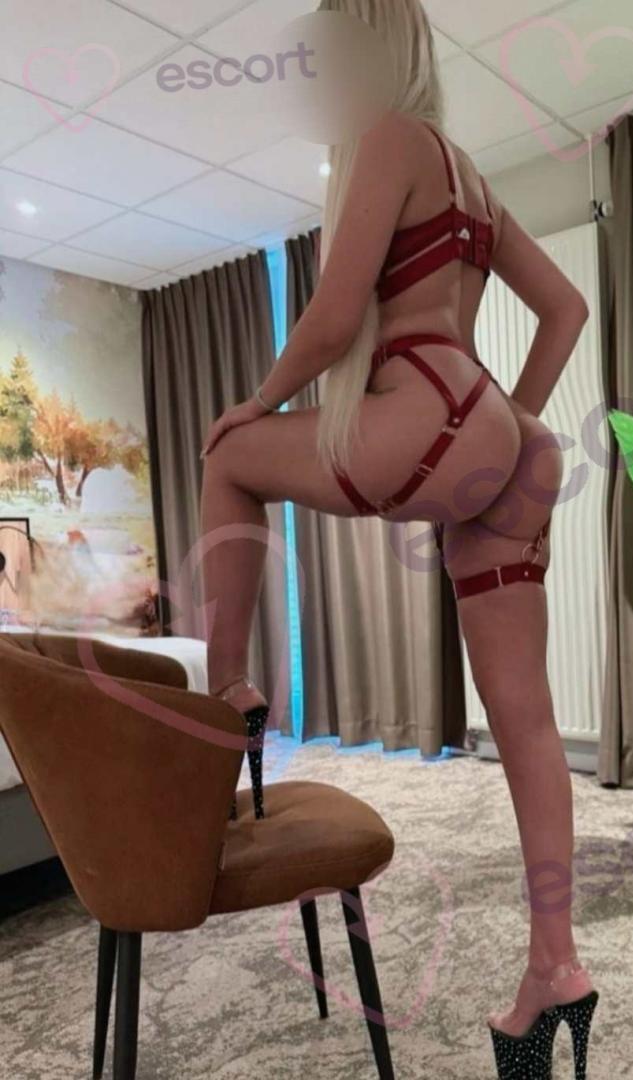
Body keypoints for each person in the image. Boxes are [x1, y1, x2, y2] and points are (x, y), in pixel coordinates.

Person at [199, 1, 597, 1075]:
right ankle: (554, 967)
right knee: (526, 721)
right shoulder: (467, 174)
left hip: (419, 406)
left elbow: (334, 318)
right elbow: (564, 309)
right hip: (497, 429)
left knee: (227, 460)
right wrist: (503, 428)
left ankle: (230, 690)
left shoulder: (385, 139)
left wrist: (254, 403)